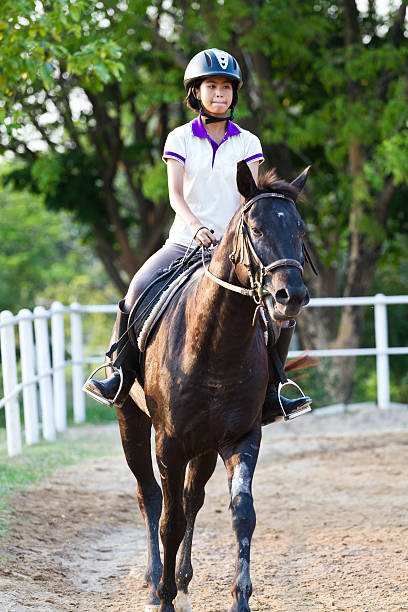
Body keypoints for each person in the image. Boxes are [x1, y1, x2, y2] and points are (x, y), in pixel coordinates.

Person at [83, 48, 311, 420]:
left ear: (234, 94)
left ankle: (275, 389)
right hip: (185, 241)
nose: (219, 94)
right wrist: (196, 226)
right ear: (196, 93)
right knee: (136, 290)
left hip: (237, 250)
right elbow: (175, 194)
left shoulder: (247, 142)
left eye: (226, 87)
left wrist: (236, 236)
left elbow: (249, 198)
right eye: (212, 86)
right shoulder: (180, 138)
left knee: (279, 311)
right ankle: (119, 375)